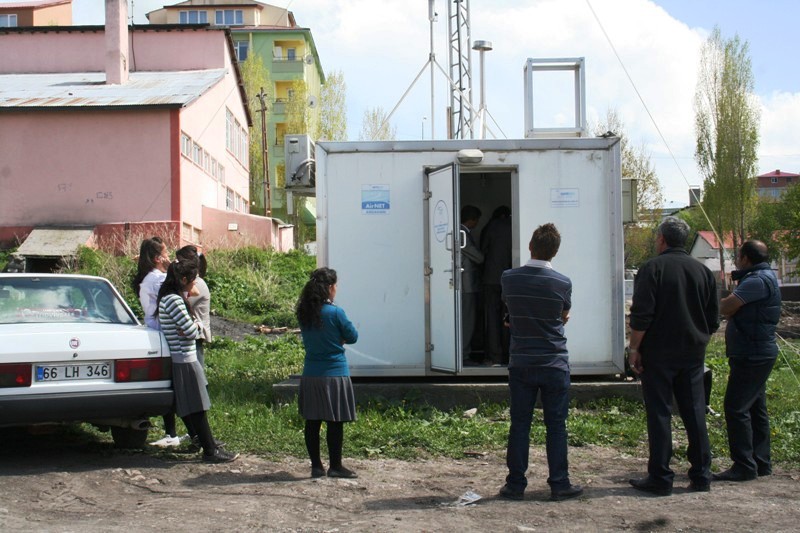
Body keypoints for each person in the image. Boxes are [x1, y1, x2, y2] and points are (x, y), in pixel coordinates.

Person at [628, 216, 719, 496]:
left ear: (662, 239)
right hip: (692, 352)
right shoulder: (702, 271)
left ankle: (661, 477)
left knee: (659, 413)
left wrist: (634, 349)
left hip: (658, 353)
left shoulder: (652, 268)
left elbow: (642, 315)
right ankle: (702, 475)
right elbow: (713, 318)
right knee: (694, 412)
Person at [498, 223, 583, 502]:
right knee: (556, 425)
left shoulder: (509, 278)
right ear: (555, 252)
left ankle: (515, 485)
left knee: (520, 424)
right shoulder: (563, 282)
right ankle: (560, 484)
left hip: (522, 361)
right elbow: (563, 314)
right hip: (554, 362)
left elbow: (511, 310)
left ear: (530, 246)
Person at [156, 257, 238, 463]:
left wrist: (192, 325)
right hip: (185, 359)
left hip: (181, 358)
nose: (195, 285)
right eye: (192, 280)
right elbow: (192, 331)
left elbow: (186, 329)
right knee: (198, 406)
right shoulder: (174, 300)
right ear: (183, 279)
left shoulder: (169, 298)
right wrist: (198, 325)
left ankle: (207, 444)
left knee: (194, 406)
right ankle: (210, 451)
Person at [715, 240, 781, 482]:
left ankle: (744, 465)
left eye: (738, 255)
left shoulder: (756, 281)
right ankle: (761, 462)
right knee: (755, 408)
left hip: (752, 353)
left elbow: (727, 306)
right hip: (756, 351)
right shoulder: (764, 277)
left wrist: (717, 305)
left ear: (745, 258)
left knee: (736, 407)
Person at [296, 267, 359, 478]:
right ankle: (336, 466)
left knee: (312, 422)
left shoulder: (304, 312)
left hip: (311, 373)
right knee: (335, 422)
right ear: (330, 287)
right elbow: (353, 336)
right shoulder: (336, 313)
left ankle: (316, 466)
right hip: (335, 374)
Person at [133, 237, 180, 448]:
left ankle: (171, 431)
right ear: (157, 258)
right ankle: (171, 431)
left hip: (155, 329)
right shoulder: (158, 279)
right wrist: (174, 272)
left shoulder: (149, 277)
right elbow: (182, 291)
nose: (169, 256)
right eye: (166, 253)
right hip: (163, 332)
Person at [480, 205, 512, 365]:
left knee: (491, 318)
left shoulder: (490, 226)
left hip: (491, 278)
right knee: (509, 317)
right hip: (511, 279)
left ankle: (494, 356)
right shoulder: (514, 225)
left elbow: (482, 251)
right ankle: (508, 355)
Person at [460, 205, 484, 365]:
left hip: (465, 284)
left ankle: (463, 352)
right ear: (472, 220)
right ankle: (464, 354)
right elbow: (479, 258)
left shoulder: (463, 233)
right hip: (466, 285)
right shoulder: (463, 235)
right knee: (467, 320)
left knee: (466, 318)